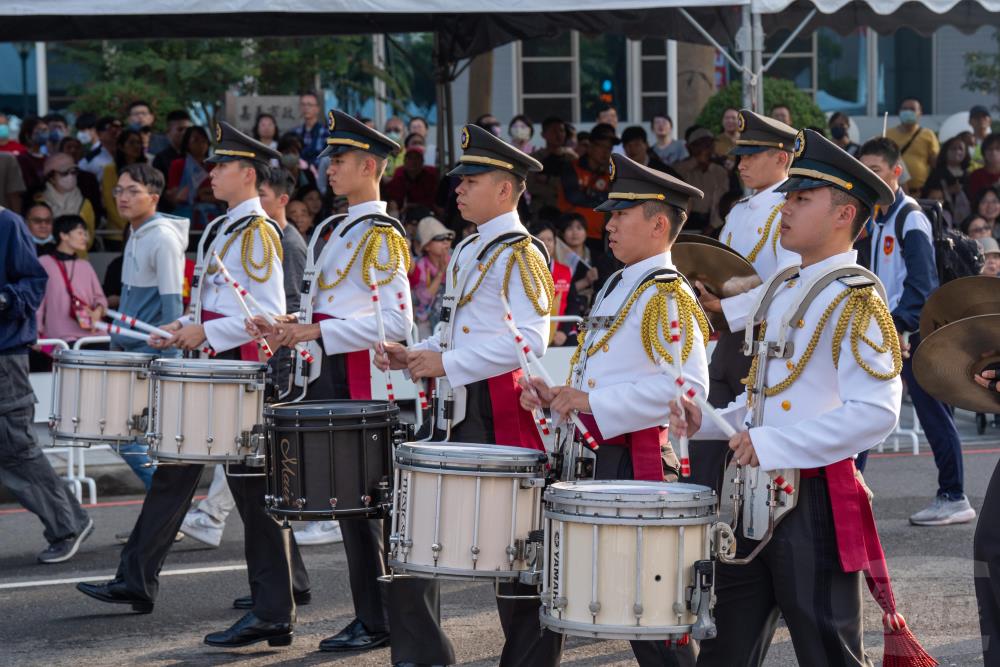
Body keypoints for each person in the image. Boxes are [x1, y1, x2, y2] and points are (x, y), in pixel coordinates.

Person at [675, 127, 933, 667]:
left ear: (844, 216)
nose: (784, 209)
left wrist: (775, 444)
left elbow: (876, 414)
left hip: (812, 500)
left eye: (800, 198)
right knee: (722, 652)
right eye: (788, 195)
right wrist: (707, 421)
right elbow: (767, 397)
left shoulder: (856, 298)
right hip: (753, 499)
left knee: (827, 652)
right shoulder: (786, 285)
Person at [77, 122, 304, 650]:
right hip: (215, 371)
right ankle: (143, 579)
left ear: (247, 174)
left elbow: (267, 312)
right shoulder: (229, 226)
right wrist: (184, 326)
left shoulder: (255, 231)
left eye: (221, 166)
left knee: (252, 489)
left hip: (238, 374)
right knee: (186, 472)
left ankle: (276, 607)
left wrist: (205, 330)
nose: (211, 171)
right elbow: (218, 304)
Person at [378, 122, 556, 667]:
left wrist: (447, 361)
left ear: (505, 189)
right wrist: (419, 352)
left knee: (518, 555)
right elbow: (456, 327)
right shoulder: (471, 247)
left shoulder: (521, 251)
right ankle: (423, 655)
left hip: (501, 410)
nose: (457, 188)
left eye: (470, 180)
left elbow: (532, 338)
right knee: (414, 536)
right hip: (458, 407)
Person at [523, 153, 707, 666]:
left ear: (659, 224)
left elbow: (687, 388)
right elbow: (599, 376)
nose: (611, 222)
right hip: (606, 459)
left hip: (637, 465)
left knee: (647, 611)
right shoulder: (620, 282)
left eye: (623, 213)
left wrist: (592, 402)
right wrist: (559, 395)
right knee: (628, 606)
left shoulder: (666, 292)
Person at [249, 110, 410, 656]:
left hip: (359, 381)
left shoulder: (381, 233)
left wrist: (317, 330)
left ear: (370, 165)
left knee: (364, 508)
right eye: (330, 160)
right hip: (330, 375)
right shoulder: (330, 227)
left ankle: (381, 617)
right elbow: (321, 305)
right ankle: (375, 615)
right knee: (349, 507)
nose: (330, 169)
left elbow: (397, 322)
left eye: (339, 160)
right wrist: (291, 328)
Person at [856, 136, 976, 526]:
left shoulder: (910, 217)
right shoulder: (876, 219)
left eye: (874, 170)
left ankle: (954, 495)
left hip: (910, 332)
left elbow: (921, 285)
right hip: (888, 329)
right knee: (865, 408)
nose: (867, 177)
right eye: (863, 170)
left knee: (932, 412)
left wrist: (896, 326)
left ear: (897, 172)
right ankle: (852, 490)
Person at [691, 110, 800, 496]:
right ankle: (696, 527)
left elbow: (788, 280)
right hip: (730, 338)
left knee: (757, 452)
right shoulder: (739, 210)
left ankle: (748, 537)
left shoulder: (791, 208)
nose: (742, 163)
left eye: (752, 155)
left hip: (766, 342)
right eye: (741, 155)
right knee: (706, 441)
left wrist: (727, 307)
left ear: (782, 158)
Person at [0, 204, 95, 563]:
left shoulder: (7, 224)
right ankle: (69, 521)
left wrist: (5, 298)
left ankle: (68, 523)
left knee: (15, 446)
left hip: (4, 355)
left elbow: (34, 282)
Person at [35, 214, 106, 344]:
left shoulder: (85, 265)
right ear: (64, 235)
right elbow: (38, 302)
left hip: (92, 334)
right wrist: (36, 333)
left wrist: (98, 311)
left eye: (85, 234)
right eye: (80, 233)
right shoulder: (44, 262)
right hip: (60, 337)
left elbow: (100, 297)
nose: (85, 237)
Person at [558, 122, 616, 245]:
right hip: (571, 236)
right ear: (590, 146)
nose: (605, 152)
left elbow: (616, 200)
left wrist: (590, 194)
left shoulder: (611, 172)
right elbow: (574, 197)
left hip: (600, 237)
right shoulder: (572, 167)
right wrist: (604, 197)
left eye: (609, 148)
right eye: (601, 146)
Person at [530, 221, 580, 347]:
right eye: (541, 239)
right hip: (532, 333)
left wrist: (563, 331)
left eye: (550, 240)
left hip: (562, 332)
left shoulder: (565, 271)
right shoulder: (522, 270)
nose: (546, 244)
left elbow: (574, 304)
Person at [674, 126, 729, 233]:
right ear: (691, 147)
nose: (707, 149)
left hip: (713, 224)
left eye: (709, 144)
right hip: (685, 223)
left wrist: (712, 226)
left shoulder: (719, 171)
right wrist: (697, 160)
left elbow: (722, 200)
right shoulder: (680, 168)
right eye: (702, 145)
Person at [100, 129, 148, 248]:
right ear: (121, 147)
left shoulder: (146, 170)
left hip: (142, 230)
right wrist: (126, 225)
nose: (136, 146)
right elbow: (109, 200)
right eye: (131, 143)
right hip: (117, 233)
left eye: (138, 143)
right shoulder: (110, 169)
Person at [166, 126, 221, 229]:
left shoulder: (213, 166)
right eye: (196, 140)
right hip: (185, 218)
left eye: (204, 140)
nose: (201, 144)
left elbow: (221, 195)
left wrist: (201, 194)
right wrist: (202, 194)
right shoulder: (178, 165)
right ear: (187, 143)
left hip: (211, 218)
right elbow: (174, 195)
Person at [41, 153, 97, 251]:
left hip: (78, 259)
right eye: (64, 173)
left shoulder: (85, 203)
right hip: (48, 259)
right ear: (51, 177)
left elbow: (90, 237)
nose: (70, 176)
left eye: (73, 172)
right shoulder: (40, 203)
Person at [409, 215, 454, 338]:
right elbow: (423, 299)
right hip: (427, 321)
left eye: (448, 237)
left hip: (453, 319)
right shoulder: (420, 265)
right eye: (439, 238)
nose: (446, 241)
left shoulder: (457, 261)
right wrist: (440, 274)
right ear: (427, 246)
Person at [884, 98, 939, 194]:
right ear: (899, 112)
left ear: (920, 113)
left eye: (912, 109)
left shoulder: (928, 134)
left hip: (921, 192)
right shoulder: (887, 134)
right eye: (904, 109)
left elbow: (936, 165)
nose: (908, 112)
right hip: (894, 192)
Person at [528, 116, 578, 213]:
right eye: (554, 131)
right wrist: (559, 189)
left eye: (561, 131)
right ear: (543, 134)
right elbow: (531, 186)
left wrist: (548, 180)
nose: (559, 134)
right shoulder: (534, 158)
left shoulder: (572, 158)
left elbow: (574, 184)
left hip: (568, 210)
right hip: (540, 210)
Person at [925, 134, 972, 224]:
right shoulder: (937, 173)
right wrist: (948, 191)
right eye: (953, 148)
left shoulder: (968, 174)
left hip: (966, 220)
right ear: (945, 151)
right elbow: (927, 196)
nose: (957, 152)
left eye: (960, 149)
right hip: (942, 219)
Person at [385, 145, 438, 214]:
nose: (413, 161)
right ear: (404, 161)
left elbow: (431, 200)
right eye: (410, 158)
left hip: (424, 212)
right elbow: (394, 196)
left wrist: (411, 206)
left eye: (416, 158)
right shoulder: (399, 173)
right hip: (401, 212)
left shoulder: (429, 175)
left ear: (422, 161)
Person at [151, 110, 193, 181]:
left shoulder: (197, 156)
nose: (185, 133)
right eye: (180, 129)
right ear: (168, 131)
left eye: (188, 130)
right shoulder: (160, 159)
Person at [292, 91, 327, 166]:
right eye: (303, 105)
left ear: (317, 109)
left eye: (309, 105)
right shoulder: (294, 133)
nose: (306, 108)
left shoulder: (326, 134)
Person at [15, 117, 49, 193]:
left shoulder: (48, 158)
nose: (44, 133)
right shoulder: (22, 159)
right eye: (40, 130)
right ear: (27, 135)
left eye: (45, 130)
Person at [968, 134, 1000, 203]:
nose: (993, 152)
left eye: (998, 149)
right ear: (983, 152)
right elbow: (974, 200)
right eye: (989, 149)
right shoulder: (976, 175)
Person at [969, 105, 992, 170]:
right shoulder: (965, 143)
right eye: (977, 117)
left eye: (984, 116)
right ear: (970, 121)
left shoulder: (996, 141)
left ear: (990, 121)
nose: (981, 119)